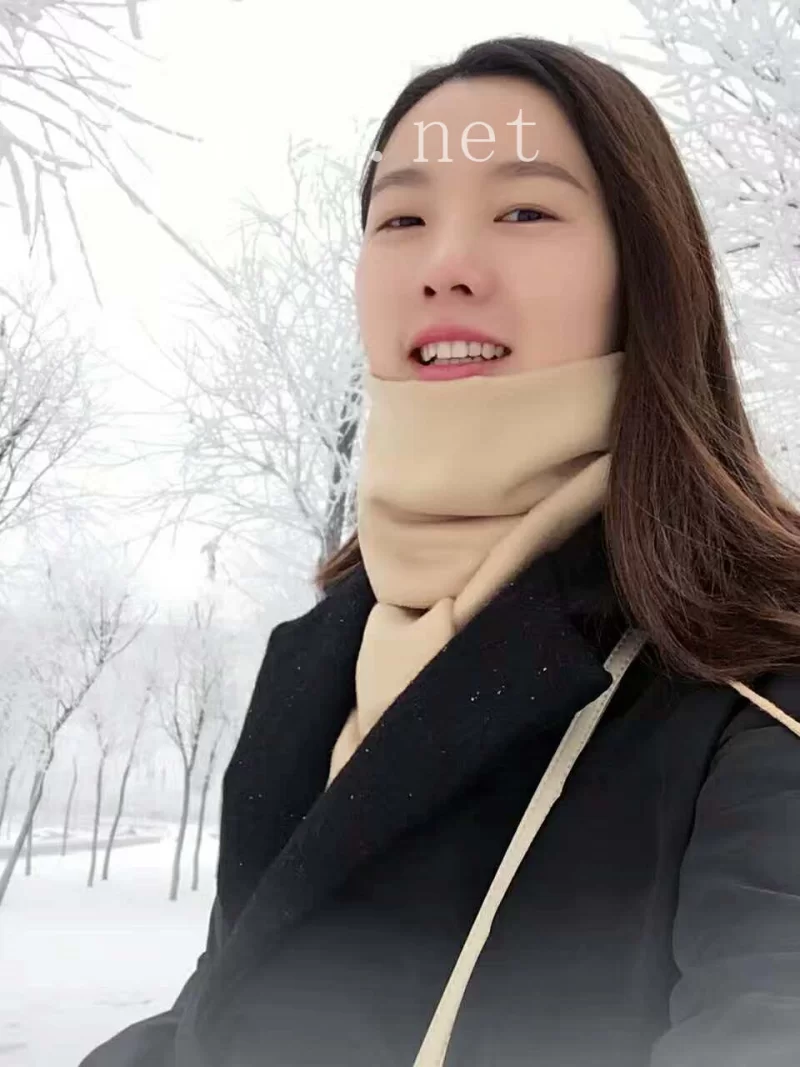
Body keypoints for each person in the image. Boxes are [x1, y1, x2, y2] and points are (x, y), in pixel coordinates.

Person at [80, 34, 800, 1067]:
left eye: (524, 211)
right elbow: (224, 1012)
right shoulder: (314, 659)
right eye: (402, 219)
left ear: (645, 273)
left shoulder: (753, 676)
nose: (444, 267)